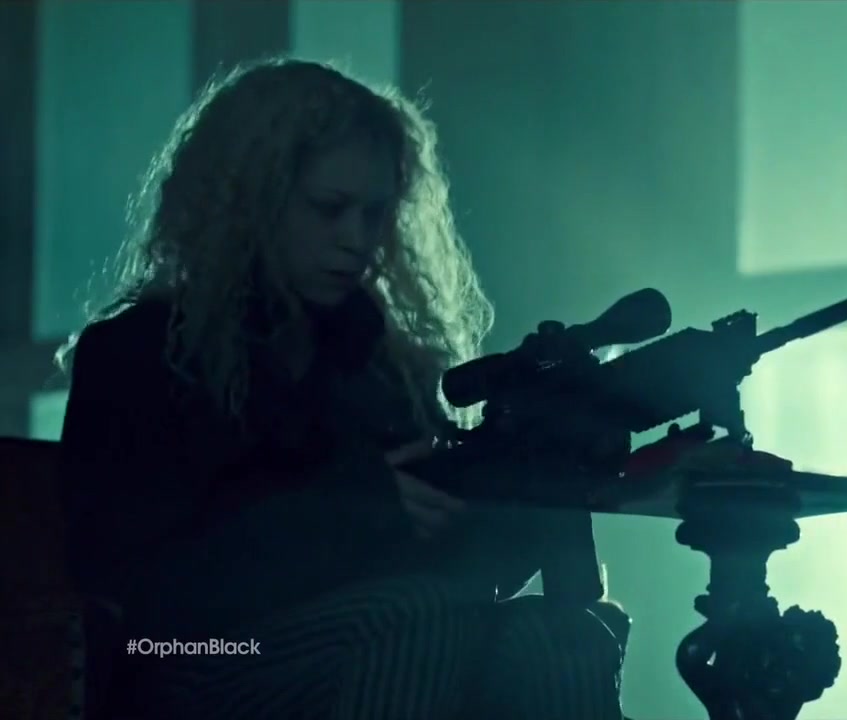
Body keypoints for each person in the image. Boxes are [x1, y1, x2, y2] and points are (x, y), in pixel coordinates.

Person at [57, 58, 627, 719]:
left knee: (560, 638)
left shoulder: (381, 364)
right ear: (252, 202)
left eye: (375, 213)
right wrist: (350, 508)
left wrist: (526, 492)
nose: (356, 239)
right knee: (410, 618)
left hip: (376, 638)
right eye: (328, 209)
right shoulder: (140, 353)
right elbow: (135, 586)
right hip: (178, 653)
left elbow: (452, 578)